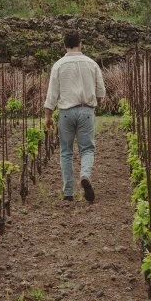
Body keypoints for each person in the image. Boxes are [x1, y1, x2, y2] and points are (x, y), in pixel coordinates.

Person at [44, 31, 106, 203]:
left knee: (66, 152)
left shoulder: (59, 65)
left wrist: (48, 115)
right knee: (87, 149)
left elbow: (52, 94)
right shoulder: (91, 63)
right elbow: (101, 91)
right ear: (81, 44)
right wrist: (95, 102)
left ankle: (68, 192)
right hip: (86, 110)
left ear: (64, 45)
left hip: (65, 112)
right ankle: (85, 175)